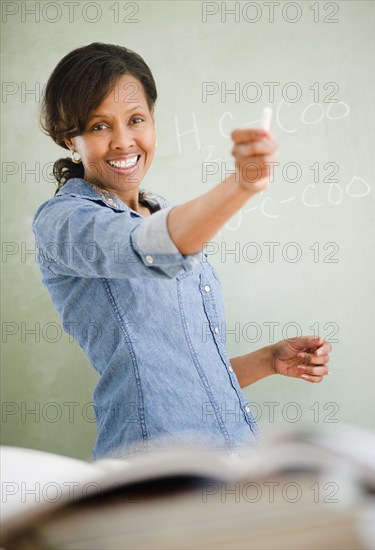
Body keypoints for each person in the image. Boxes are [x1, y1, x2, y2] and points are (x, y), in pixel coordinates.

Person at [32, 43, 331, 460]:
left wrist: (266, 360)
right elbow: (150, 248)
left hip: (234, 458)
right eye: (99, 126)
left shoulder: (165, 211)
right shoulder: (66, 221)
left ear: (152, 121)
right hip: (156, 471)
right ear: (70, 137)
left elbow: (180, 379)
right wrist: (240, 184)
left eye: (136, 120)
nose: (123, 141)